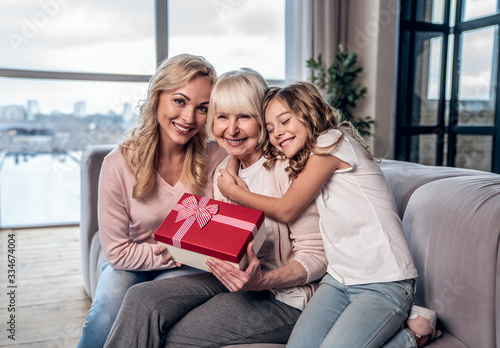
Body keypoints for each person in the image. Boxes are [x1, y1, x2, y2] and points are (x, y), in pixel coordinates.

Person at [103, 68, 327, 347]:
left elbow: (317, 255)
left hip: (282, 297)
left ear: (263, 119)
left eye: (244, 116)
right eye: (222, 117)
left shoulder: (287, 169)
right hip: (228, 278)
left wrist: (263, 279)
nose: (231, 129)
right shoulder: (223, 170)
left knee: (173, 337)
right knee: (141, 299)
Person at [216, 81, 439, 347]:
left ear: (309, 113)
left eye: (285, 121)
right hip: (338, 280)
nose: (277, 133)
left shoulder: (333, 141)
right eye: (271, 128)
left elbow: (286, 209)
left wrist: (233, 191)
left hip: (383, 281)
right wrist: (232, 160)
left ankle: (413, 335)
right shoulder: (305, 159)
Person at [77, 53, 227, 348]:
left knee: (149, 308)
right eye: (180, 101)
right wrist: (177, 253)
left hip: (190, 265)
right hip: (130, 261)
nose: (188, 118)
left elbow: (219, 235)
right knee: (105, 313)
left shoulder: (216, 158)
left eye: (202, 108)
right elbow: (118, 253)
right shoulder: (117, 164)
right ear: (157, 97)